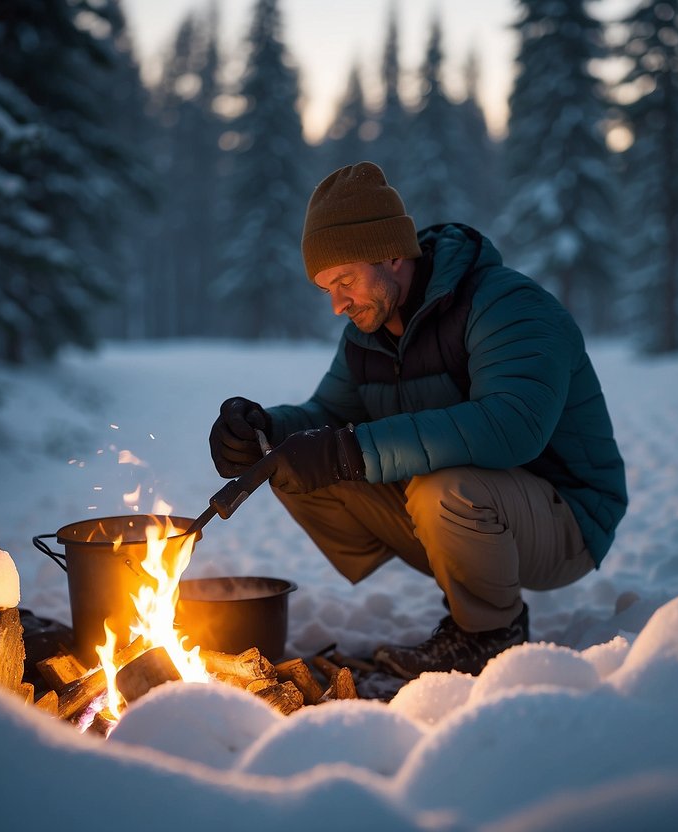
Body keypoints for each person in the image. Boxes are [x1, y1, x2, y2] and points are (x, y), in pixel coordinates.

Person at [208, 161, 627, 679]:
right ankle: (472, 592)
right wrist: (263, 432)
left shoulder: (506, 305)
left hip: (567, 520)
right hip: (471, 511)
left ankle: (490, 635)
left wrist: (348, 451)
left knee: (440, 487)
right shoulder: (369, 328)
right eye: (326, 289)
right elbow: (331, 416)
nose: (338, 304)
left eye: (345, 280)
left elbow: (512, 425)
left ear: (391, 253)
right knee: (290, 462)